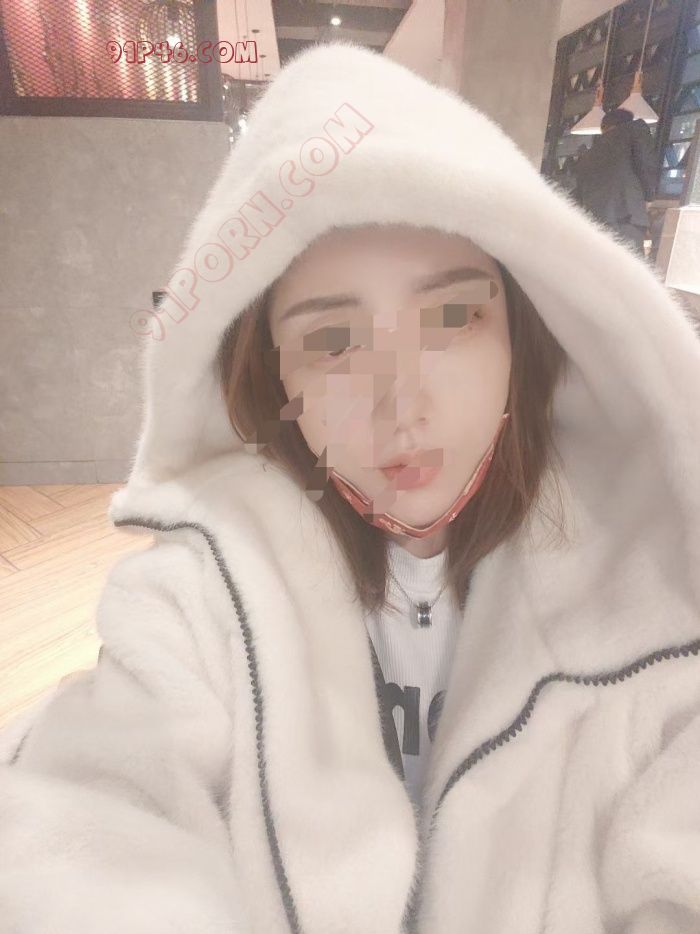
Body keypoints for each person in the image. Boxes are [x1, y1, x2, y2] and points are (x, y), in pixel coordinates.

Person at [2, 40, 700, 934]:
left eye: (453, 316)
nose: (401, 405)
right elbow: (88, 815)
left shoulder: (649, 586)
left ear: (523, 339)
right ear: (274, 383)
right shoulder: (204, 591)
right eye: (333, 341)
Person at [573, 106, 658, 257]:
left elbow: (578, 194)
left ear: (604, 128)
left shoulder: (588, 154)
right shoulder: (635, 132)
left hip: (594, 222)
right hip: (626, 216)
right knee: (628, 266)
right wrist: (649, 197)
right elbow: (647, 165)